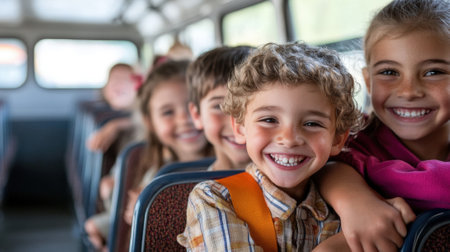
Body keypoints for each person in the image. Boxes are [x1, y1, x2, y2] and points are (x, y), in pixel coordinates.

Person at [178, 42, 364, 251]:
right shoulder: (214, 199)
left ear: (337, 139)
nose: (289, 139)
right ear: (239, 127)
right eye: (269, 120)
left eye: (312, 123)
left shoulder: (346, 208)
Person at [315, 0, 449, 251]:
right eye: (389, 72)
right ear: (368, 80)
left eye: (433, 72)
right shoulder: (347, 144)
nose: (408, 91)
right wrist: (354, 200)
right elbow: (328, 165)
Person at [122, 59, 213, 225]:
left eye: (195, 106)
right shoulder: (155, 181)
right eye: (168, 112)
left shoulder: (235, 163)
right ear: (150, 122)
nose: (184, 119)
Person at [188, 46, 254, 171]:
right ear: (197, 115)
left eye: (249, 105)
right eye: (220, 106)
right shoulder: (189, 189)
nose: (237, 122)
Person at [86, 63, 138, 152]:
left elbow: (143, 122)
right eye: (115, 80)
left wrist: (117, 125)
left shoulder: (140, 112)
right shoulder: (99, 114)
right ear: (105, 89)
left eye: (126, 79)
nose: (119, 85)